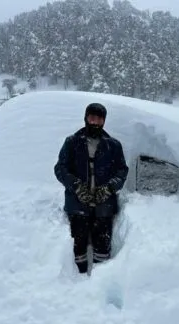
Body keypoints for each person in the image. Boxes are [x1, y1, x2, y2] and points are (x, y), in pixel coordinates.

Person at [54, 103, 129, 274]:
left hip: (104, 206)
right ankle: (77, 278)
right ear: (86, 118)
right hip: (78, 204)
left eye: (99, 119)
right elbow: (60, 169)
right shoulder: (72, 142)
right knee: (78, 245)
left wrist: (109, 188)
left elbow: (122, 171)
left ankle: (100, 279)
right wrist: (77, 187)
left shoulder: (113, 145)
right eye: (92, 118)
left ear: (104, 121)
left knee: (103, 246)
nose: (95, 122)